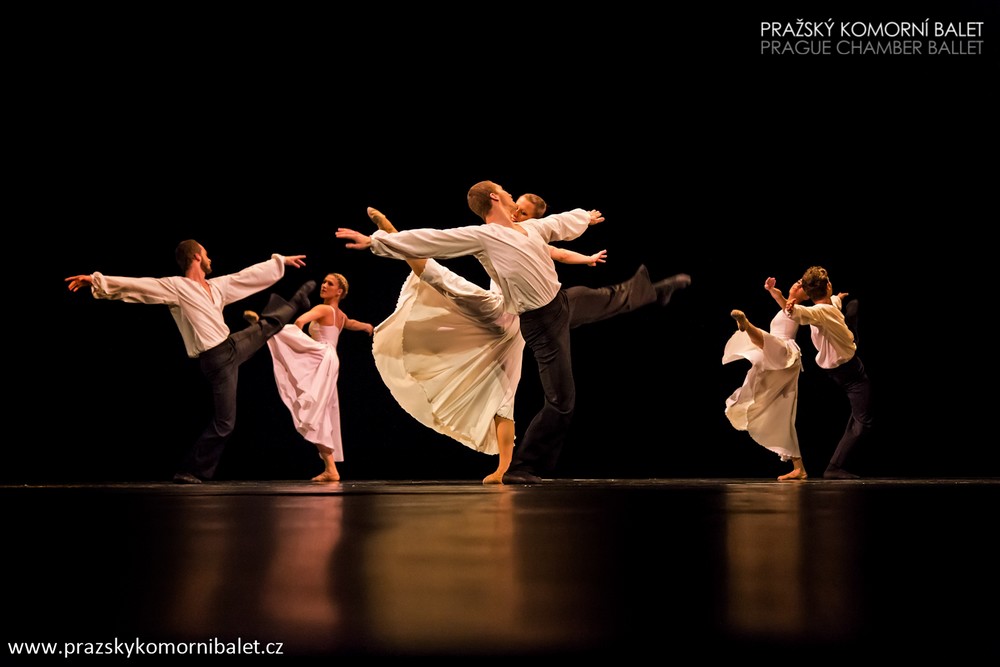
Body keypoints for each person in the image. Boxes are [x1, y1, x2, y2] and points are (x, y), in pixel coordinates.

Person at [336, 181, 691, 484]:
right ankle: (521, 467)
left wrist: (584, 216)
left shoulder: (531, 229)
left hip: (560, 302)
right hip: (539, 322)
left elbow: (556, 223)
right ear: (494, 197)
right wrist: (377, 242)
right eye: (504, 191)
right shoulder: (484, 236)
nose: (509, 194)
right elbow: (435, 240)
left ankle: (655, 292)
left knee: (608, 296)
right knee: (562, 401)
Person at [366, 207, 607, 484]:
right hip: (508, 316)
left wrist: (586, 253)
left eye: (522, 211)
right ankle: (505, 468)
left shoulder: (528, 235)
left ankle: (505, 468)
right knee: (442, 280)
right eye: (515, 208)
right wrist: (585, 243)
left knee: (504, 396)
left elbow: (559, 250)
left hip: (509, 316)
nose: (515, 213)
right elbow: (440, 240)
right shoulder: (503, 235)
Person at [65, 240, 313, 484]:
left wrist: (279, 262)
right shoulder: (177, 287)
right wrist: (96, 280)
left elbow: (245, 277)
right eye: (206, 254)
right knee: (226, 424)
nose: (210, 258)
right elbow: (139, 287)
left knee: (264, 328)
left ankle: (295, 302)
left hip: (230, 346)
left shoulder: (215, 287)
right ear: (196, 257)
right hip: (216, 359)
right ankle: (189, 470)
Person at [244, 273, 374, 482]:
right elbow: (351, 323)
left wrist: (296, 339)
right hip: (331, 360)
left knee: (286, 332)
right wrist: (367, 326)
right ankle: (331, 468)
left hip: (320, 356)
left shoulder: (323, 309)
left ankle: (264, 327)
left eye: (329, 283)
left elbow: (300, 321)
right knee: (320, 412)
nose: (324, 285)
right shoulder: (340, 315)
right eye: (324, 282)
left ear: (339, 291)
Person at [784, 266, 872, 480]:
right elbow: (801, 313)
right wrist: (790, 306)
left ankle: (851, 323)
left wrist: (838, 298)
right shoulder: (821, 312)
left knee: (857, 417)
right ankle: (834, 467)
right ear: (828, 285)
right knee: (863, 421)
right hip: (851, 371)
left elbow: (827, 304)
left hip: (835, 370)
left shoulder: (825, 307)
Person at [724, 277, 807, 481]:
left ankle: (747, 325)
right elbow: (780, 297)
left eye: (802, 286)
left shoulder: (796, 308)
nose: (797, 284)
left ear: (806, 295)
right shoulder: (786, 304)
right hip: (774, 356)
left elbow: (787, 304)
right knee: (781, 412)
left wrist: (834, 300)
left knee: (767, 342)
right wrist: (771, 289)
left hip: (785, 352)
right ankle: (799, 468)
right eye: (798, 281)